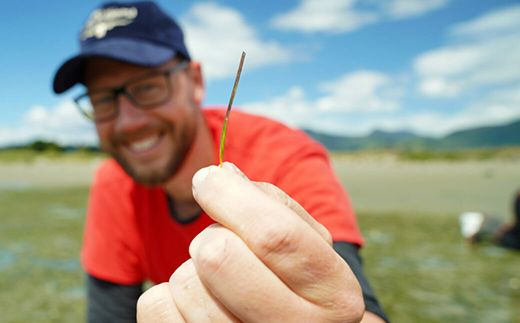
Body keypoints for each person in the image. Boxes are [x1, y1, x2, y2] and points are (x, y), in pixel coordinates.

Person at [52, 2, 389, 322]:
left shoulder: (287, 157)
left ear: (195, 82)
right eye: (101, 99)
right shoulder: (115, 182)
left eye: (148, 87)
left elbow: (355, 306)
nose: (127, 122)